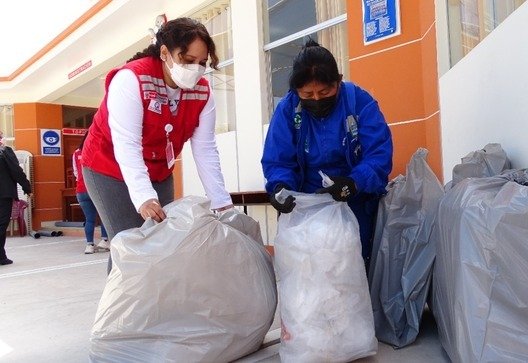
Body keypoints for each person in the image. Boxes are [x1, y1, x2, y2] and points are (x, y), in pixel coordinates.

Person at [82, 17, 233, 271]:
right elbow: (126, 144)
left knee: (161, 244)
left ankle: (156, 308)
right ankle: (121, 310)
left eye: (201, 63)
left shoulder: (202, 92)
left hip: (159, 170)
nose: (196, 69)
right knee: (129, 243)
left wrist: (221, 201)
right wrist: (143, 198)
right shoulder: (131, 79)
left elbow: (205, 149)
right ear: (165, 53)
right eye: (187, 60)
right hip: (108, 167)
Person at [261, 39, 393, 266]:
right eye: (307, 94)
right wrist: (280, 187)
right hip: (304, 209)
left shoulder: (359, 102)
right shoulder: (287, 110)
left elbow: (379, 154)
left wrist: (355, 182)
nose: (317, 99)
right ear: (296, 91)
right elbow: (278, 160)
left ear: (338, 82)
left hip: (355, 204)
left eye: (325, 91)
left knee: (353, 267)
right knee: (306, 272)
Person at [72, 133, 109, 254]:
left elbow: (76, 173)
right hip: (96, 189)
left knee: (89, 219)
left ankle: (89, 245)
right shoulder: (96, 150)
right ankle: (104, 241)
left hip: (81, 190)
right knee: (104, 216)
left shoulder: (76, 153)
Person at [0, 130, 32, 265]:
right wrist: (27, 188)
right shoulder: (5, 152)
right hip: (3, 194)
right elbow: (16, 171)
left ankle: (1, 256)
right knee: (1, 224)